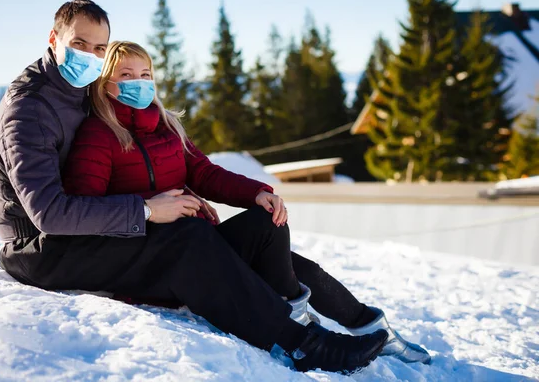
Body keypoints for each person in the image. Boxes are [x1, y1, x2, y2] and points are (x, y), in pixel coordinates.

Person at [0, 0, 419, 375]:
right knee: (186, 239)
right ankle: (301, 343)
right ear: (53, 39)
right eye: (79, 44)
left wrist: (248, 193)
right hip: (41, 248)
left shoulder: (84, 92)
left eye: (98, 48)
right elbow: (52, 214)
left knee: (255, 234)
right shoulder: (31, 109)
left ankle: (365, 324)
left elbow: (198, 169)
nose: (90, 57)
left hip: (90, 228)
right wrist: (150, 210)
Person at [61, 40, 431, 367]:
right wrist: (151, 205)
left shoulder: (167, 126)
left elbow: (204, 173)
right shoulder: (98, 135)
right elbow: (89, 206)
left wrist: (256, 192)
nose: (138, 83)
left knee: (268, 224)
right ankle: (303, 331)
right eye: (125, 74)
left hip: (201, 243)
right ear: (104, 82)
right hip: (163, 258)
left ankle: (376, 331)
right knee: (288, 269)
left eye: (145, 73)